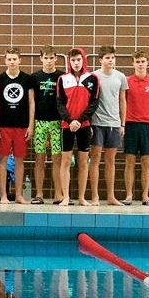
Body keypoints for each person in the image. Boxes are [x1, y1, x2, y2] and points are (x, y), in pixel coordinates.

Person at [56, 48, 99, 207]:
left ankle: (81, 197)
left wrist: (80, 120)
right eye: (73, 60)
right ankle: (66, 197)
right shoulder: (62, 79)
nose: (76, 63)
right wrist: (69, 120)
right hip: (66, 126)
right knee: (65, 160)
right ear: (69, 62)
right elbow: (59, 103)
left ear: (83, 60)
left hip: (84, 126)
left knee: (83, 161)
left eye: (78, 60)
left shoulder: (92, 79)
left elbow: (94, 103)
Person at [0, 48, 33, 204]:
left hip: (22, 126)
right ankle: (3, 195)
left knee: (19, 160)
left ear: (19, 60)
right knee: (2, 159)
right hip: (4, 126)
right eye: (9, 59)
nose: (12, 62)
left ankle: (18, 195)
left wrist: (31, 125)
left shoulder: (27, 79)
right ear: (5, 61)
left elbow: (31, 103)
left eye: (14, 59)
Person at [87, 46, 127, 206]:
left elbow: (122, 101)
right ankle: (95, 196)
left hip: (114, 123)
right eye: (107, 58)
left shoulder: (120, 77)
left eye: (112, 57)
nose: (110, 60)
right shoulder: (94, 77)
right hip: (97, 123)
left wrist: (122, 123)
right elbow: (88, 100)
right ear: (100, 60)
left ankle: (111, 196)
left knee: (111, 160)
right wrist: (88, 122)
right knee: (95, 158)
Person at [122, 51, 149, 206]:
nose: (140, 64)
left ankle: (145, 196)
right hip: (130, 124)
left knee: (146, 161)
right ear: (133, 63)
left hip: (147, 125)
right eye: (137, 61)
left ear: (147, 63)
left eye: (143, 61)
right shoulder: (127, 82)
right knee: (130, 161)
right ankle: (129, 195)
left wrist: (146, 116)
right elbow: (122, 103)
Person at [30, 46, 65, 204]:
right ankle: (39, 194)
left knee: (57, 158)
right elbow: (31, 102)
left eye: (51, 58)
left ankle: (58, 193)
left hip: (57, 122)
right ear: (41, 59)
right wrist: (31, 124)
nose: (49, 61)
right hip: (40, 122)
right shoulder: (35, 77)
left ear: (56, 58)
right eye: (46, 58)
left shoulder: (62, 77)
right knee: (39, 158)